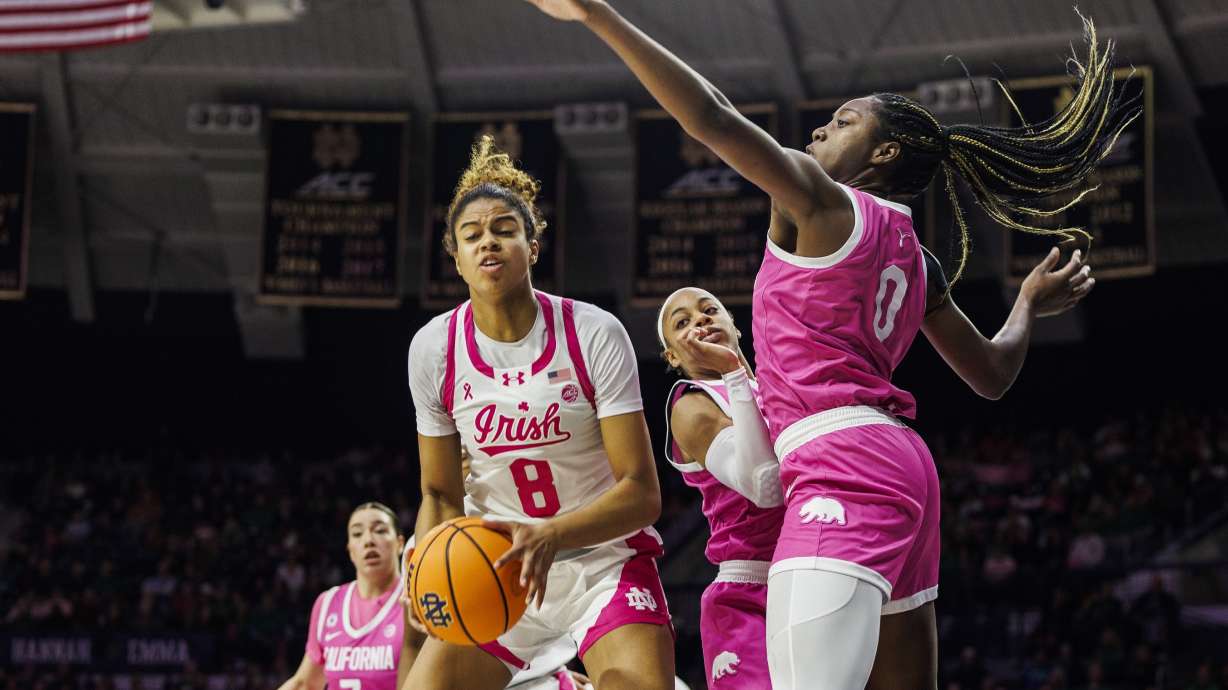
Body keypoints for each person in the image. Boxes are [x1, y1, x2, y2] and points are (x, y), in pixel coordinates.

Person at [525, 2, 1134, 688]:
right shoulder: (920, 260)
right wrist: (1024, 306)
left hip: (836, 461)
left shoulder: (820, 203)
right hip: (907, 468)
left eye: (845, 121)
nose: (821, 127)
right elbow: (992, 374)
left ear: (885, 153)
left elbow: (712, 116)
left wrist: (597, 15)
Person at [403, 135, 675, 690]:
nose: (489, 244)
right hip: (495, 568)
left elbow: (642, 493)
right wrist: (426, 571)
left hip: (601, 562)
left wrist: (551, 533)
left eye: (505, 229)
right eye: (471, 235)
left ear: (533, 244)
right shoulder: (433, 349)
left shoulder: (593, 332)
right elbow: (440, 494)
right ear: (454, 257)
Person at [658, 286, 784, 688]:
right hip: (749, 593)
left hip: (814, 569)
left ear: (734, 324)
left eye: (709, 310)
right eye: (682, 322)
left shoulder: (781, 384)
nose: (699, 319)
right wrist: (732, 370)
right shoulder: (691, 405)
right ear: (673, 357)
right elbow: (765, 482)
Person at [277, 502, 414, 690]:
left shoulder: (413, 599)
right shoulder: (328, 603)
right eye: (357, 534)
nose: (368, 540)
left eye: (380, 530)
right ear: (350, 550)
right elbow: (306, 683)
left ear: (400, 544)